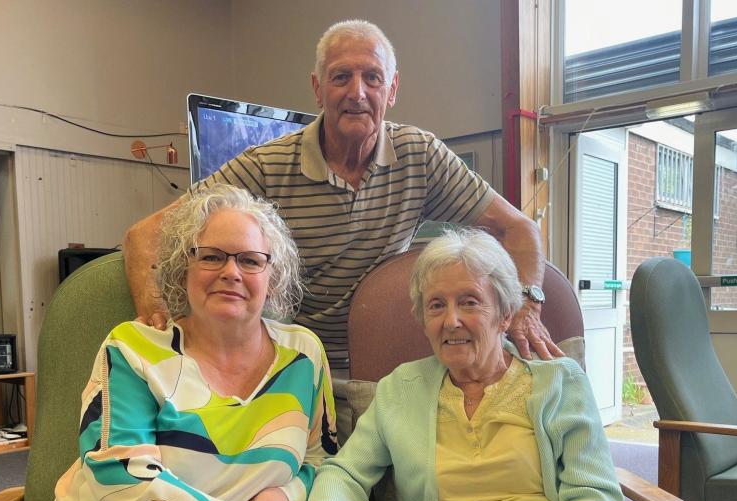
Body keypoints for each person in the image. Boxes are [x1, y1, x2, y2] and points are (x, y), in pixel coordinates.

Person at [124, 20, 563, 373]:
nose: (357, 92)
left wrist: (528, 305)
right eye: (341, 77)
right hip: (298, 367)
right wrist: (155, 310)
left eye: (372, 77)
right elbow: (144, 235)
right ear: (318, 89)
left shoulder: (421, 155)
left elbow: (517, 228)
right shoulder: (265, 165)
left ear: (391, 91)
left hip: (392, 367)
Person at [29, 184, 342, 501]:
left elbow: (322, 458)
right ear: (183, 270)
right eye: (211, 257)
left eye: (250, 260)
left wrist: (287, 496)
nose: (231, 272)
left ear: (273, 278)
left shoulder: (304, 355)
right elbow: (119, 480)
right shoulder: (133, 349)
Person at [305, 229, 643, 501]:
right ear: (423, 320)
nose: (451, 321)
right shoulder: (400, 389)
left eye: (469, 302)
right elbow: (345, 472)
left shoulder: (560, 382)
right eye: (436, 305)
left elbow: (594, 494)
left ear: (505, 314)